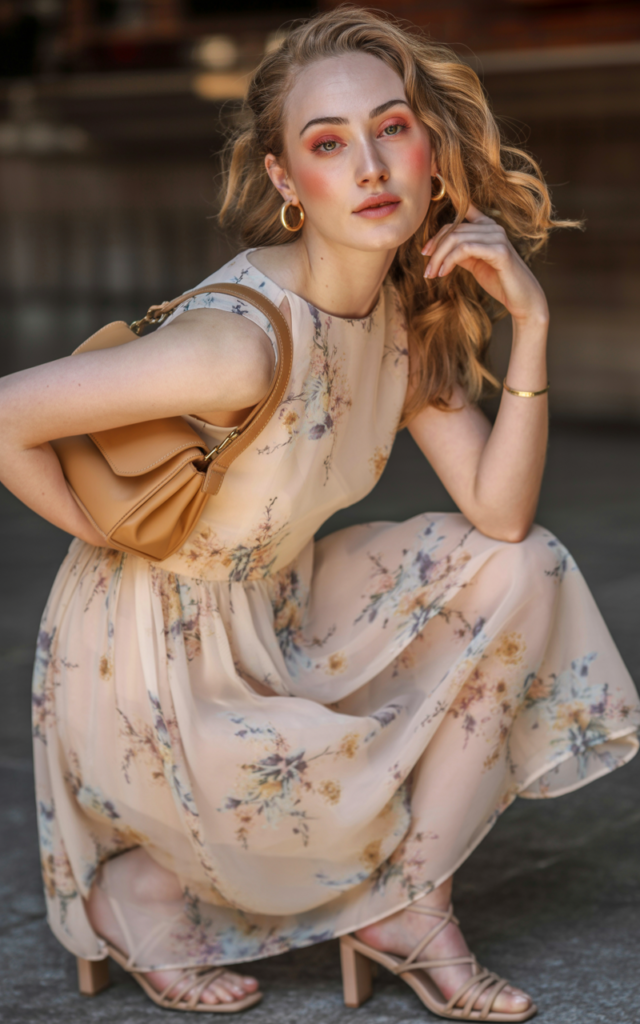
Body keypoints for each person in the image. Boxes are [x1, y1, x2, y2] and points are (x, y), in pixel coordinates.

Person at [0, 5, 638, 1020]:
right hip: (154, 663)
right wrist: (110, 540)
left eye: (391, 128)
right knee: (328, 787)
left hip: (276, 604)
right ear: (286, 181)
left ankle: (408, 908)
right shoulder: (237, 344)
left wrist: (533, 322)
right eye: (329, 143)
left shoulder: (394, 311)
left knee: (526, 570)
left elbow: (502, 515)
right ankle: (141, 891)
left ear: (430, 148)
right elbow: (5, 414)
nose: (371, 165)